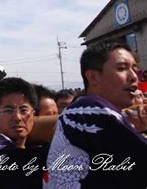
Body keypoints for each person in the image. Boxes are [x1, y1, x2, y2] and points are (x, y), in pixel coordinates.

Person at [46, 41, 147, 188]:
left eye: (134, 68)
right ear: (92, 77)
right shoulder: (88, 109)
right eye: (121, 68)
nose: (134, 77)